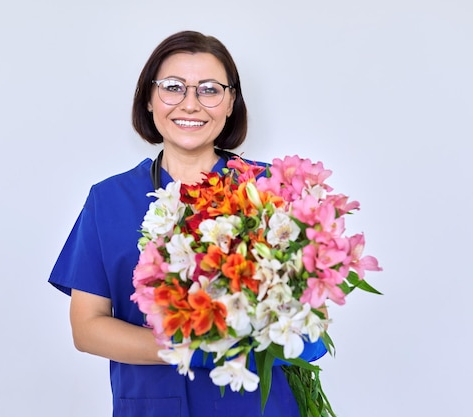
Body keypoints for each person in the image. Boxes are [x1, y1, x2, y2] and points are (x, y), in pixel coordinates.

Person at [48, 30, 327, 417]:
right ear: (148, 98)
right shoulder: (108, 200)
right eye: (173, 87)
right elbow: (87, 327)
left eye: (210, 89)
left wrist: (304, 334)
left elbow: (309, 306)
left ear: (231, 102)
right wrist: (191, 352)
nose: (191, 104)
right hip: (153, 404)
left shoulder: (269, 190)